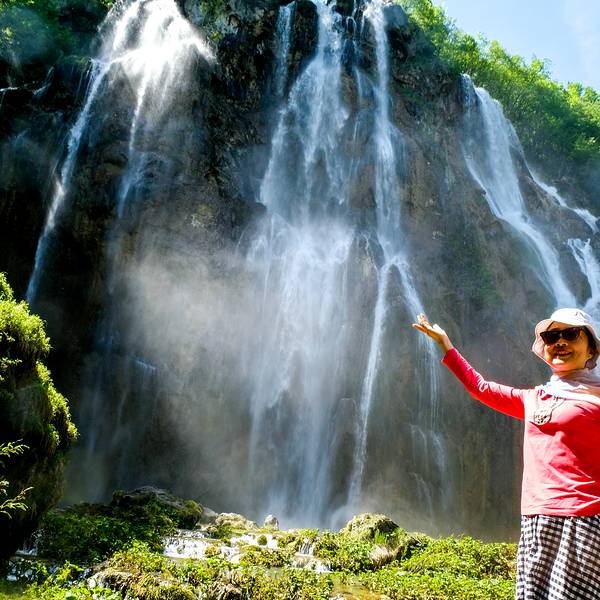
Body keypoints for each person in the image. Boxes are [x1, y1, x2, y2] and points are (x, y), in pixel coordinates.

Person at [412, 308, 600, 600]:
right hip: (536, 519)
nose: (560, 342)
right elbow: (480, 388)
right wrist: (445, 344)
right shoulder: (534, 398)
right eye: (552, 337)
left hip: (582, 519)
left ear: (591, 348)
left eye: (571, 333)